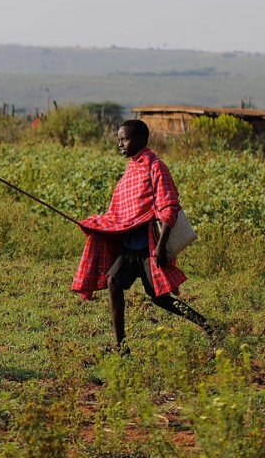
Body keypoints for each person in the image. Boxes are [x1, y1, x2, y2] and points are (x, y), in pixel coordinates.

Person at [72, 119, 213, 353]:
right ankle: (121, 346)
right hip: (130, 246)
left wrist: (160, 247)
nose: (120, 144)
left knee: (160, 298)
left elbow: (169, 207)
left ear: (140, 140)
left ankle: (208, 326)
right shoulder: (132, 168)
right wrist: (97, 224)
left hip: (149, 246)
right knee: (113, 281)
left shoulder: (155, 166)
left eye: (124, 139)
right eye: (118, 139)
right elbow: (121, 211)